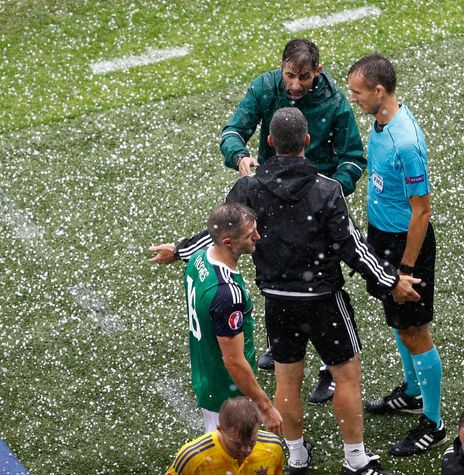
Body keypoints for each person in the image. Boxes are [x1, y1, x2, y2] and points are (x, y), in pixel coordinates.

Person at [153, 108, 420, 475]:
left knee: (287, 379)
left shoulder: (249, 187)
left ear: (270, 142)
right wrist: (391, 282)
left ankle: (295, 455)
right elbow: (353, 248)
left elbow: (220, 231)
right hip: (325, 300)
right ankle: (356, 460)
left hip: (278, 302)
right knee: (346, 376)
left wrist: (180, 250)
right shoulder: (328, 189)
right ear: (307, 142)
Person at [220, 38, 367, 401]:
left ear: (317, 71)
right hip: (272, 200)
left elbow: (352, 158)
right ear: (281, 67)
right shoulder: (264, 87)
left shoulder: (334, 102)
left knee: (321, 281)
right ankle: (286, 344)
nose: (296, 84)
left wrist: (328, 191)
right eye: (290, 75)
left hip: (317, 206)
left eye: (303, 77)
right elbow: (232, 132)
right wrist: (239, 157)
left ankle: (328, 368)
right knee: (277, 270)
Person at [346, 54, 447, 457]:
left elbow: (423, 209)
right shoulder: (381, 120)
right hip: (383, 237)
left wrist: (405, 267)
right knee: (397, 320)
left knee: (414, 330)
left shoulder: (405, 142)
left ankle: (434, 422)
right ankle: (410, 391)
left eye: (357, 91)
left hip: (408, 245)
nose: (353, 98)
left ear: (379, 91)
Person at [173, 202, 282, 434]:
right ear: (228, 242)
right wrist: (265, 406)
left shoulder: (199, 258)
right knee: (232, 454)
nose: (258, 237)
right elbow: (233, 360)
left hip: (207, 375)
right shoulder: (227, 294)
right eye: (250, 235)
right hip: (227, 392)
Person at [166, 397, 285, 475]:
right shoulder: (192, 457)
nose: (246, 449)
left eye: (252, 442)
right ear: (220, 429)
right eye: (238, 444)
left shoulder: (273, 448)